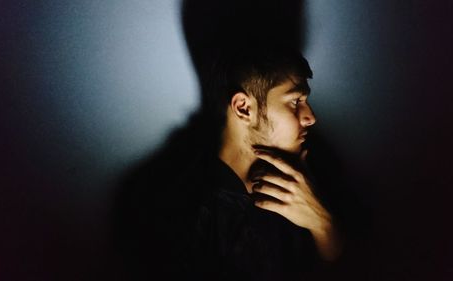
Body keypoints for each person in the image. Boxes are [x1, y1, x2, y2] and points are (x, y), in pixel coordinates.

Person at [111, 47, 347, 280]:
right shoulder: (183, 211)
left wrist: (323, 225)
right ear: (244, 108)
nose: (310, 117)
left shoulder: (301, 182)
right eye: (295, 101)